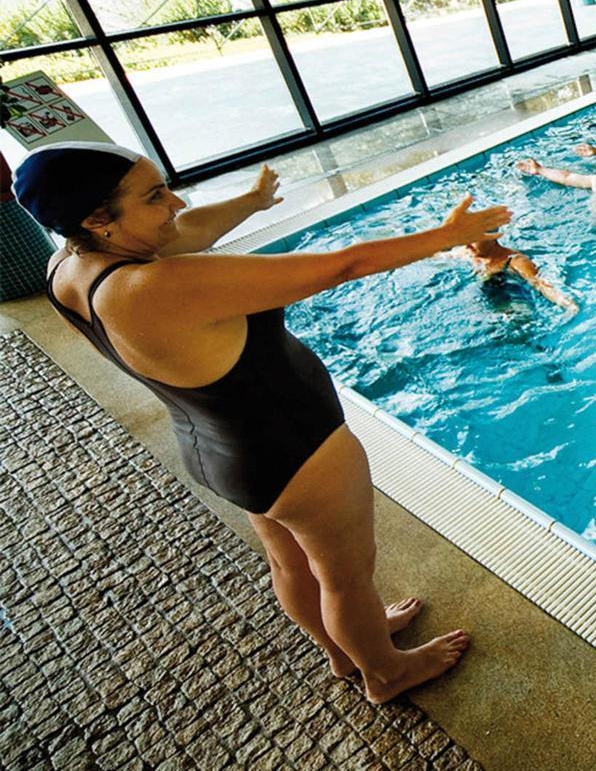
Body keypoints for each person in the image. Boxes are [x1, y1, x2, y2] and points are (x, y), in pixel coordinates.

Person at [12, 142, 509, 702]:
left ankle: (347, 652)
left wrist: (250, 201)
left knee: (291, 564)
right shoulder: (156, 288)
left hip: (222, 448)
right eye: (154, 196)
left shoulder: (73, 267)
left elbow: (190, 227)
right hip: (298, 452)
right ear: (98, 219)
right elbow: (342, 265)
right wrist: (443, 237)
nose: (175, 202)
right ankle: (387, 673)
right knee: (346, 578)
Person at [454, 238, 577, 315]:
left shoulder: (516, 261)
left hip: (515, 309)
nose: (466, 246)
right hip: (487, 309)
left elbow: (541, 284)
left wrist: (567, 304)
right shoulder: (471, 255)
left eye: (472, 239)